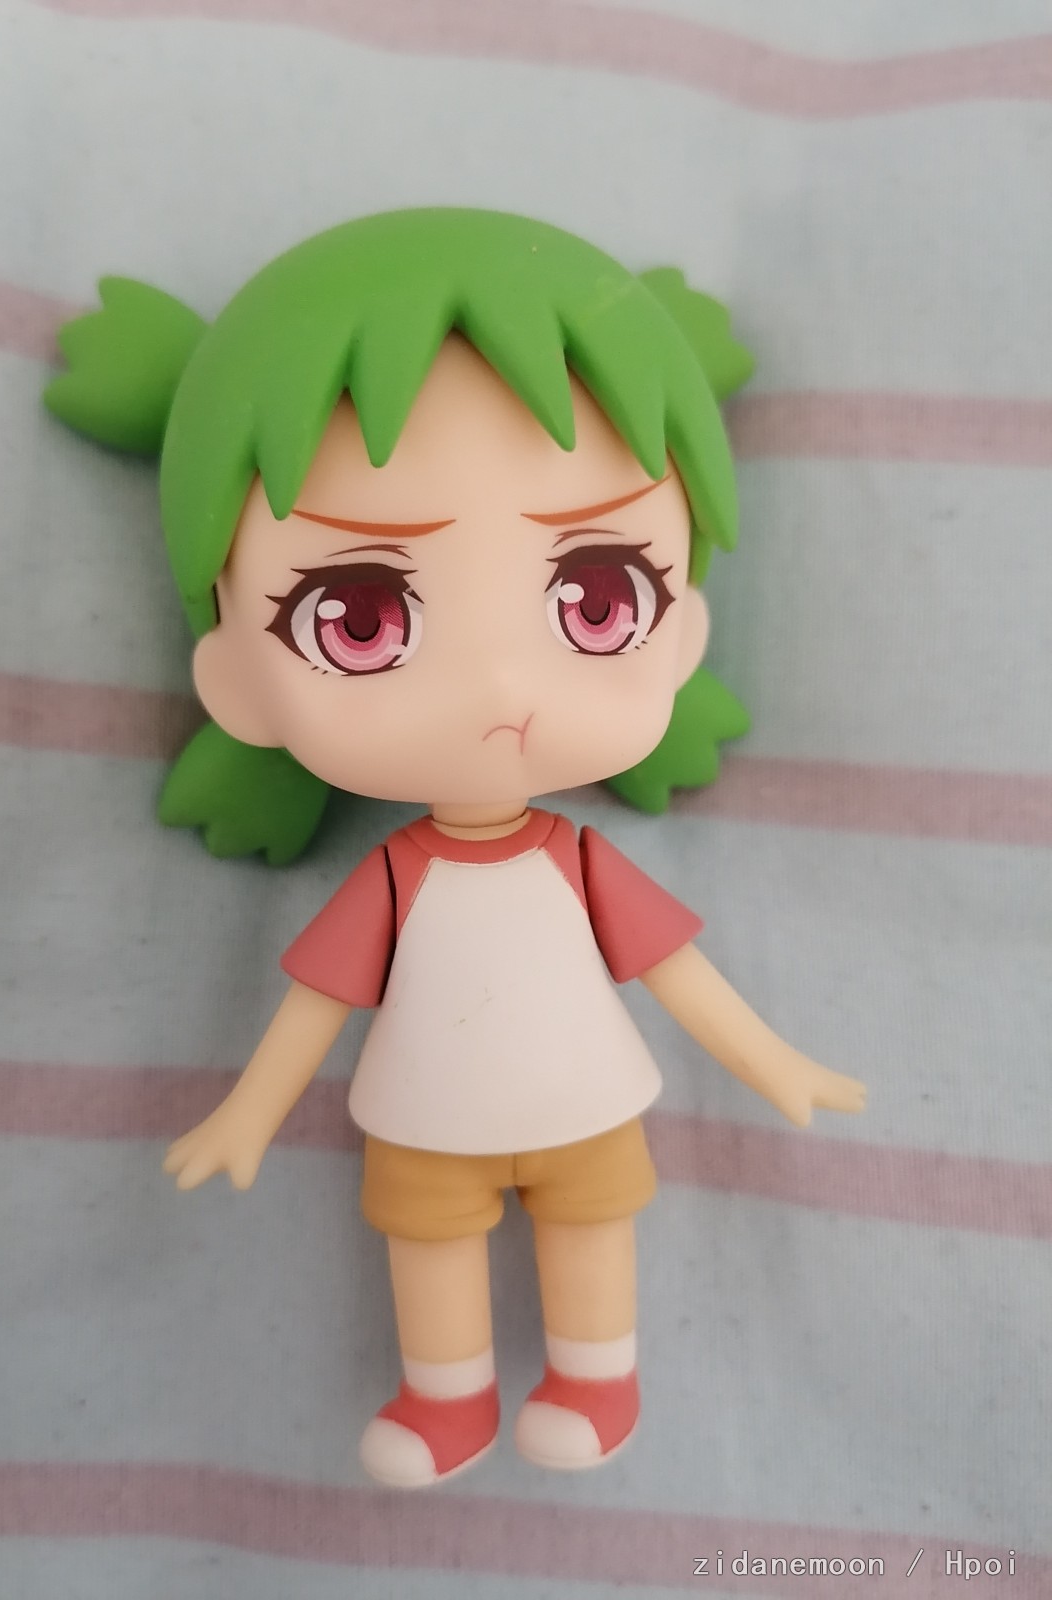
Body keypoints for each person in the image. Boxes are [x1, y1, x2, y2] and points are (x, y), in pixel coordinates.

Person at [46, 208, 866, 1489]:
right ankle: (446, 1400)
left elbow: (678, 974)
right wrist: (249, 1111)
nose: (498, 688)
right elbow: (319, 1001)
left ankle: (599, 1380)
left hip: (582, 1101)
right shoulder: (398, 879)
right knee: (425, 1241)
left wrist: (775, 1061)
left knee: (595, 1220)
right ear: (237, 681)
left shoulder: (575, 864)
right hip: (425, 1114)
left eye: (600, 598)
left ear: (682, 632)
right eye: (361, 617)